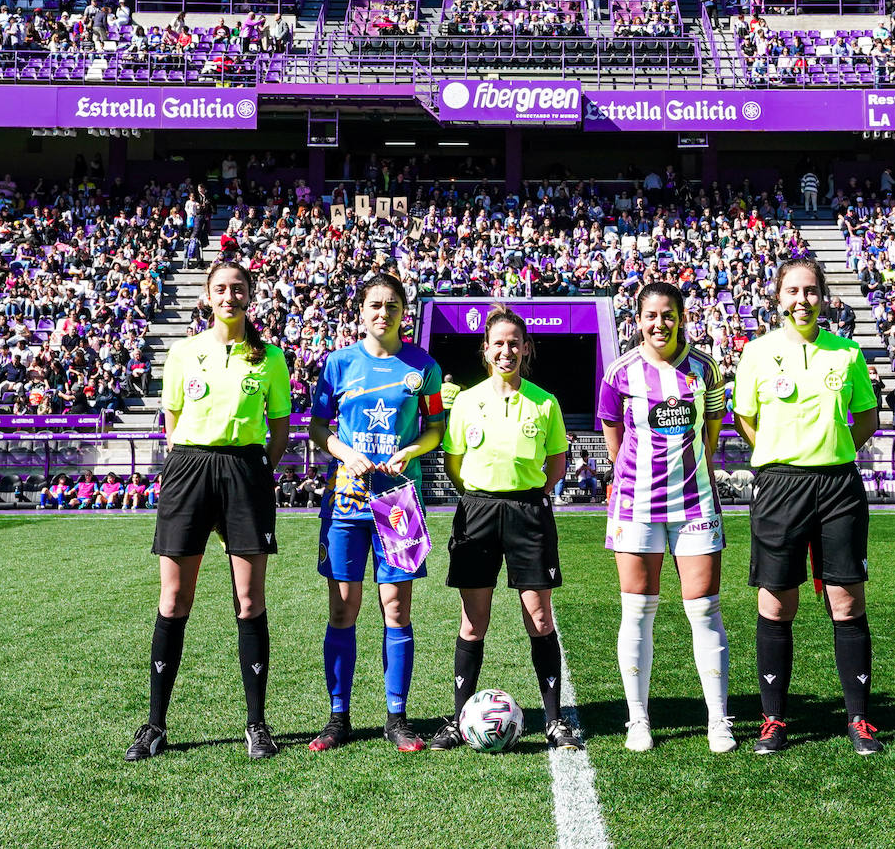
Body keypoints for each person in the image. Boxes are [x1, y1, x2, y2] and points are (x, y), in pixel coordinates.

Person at [125, 261, 292, 762]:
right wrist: (191, 462)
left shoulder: (270, 358)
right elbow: (172, 420)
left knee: (249, 599)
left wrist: (256, 471)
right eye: (220, 289)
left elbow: (279, 428)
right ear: (207, 296)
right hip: (189, 468)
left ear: (250, 296)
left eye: (238, 289)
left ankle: (256, 725)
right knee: (173, 599)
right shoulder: (183, 352)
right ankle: (155, 725)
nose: (229, 296)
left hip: (245, 470)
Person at [732, 259, 882, 756]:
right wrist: (782, 456)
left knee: (847, 601)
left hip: (839, 485)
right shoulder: (755, 353)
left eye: (811, 291)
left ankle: (859, 720)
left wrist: (832, 450)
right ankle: (774, 719)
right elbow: (745, 419)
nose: (802, 300)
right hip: (780, 487)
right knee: (777, 601)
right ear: (778, 297)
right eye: (793, 291)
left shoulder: (848, 354)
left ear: (824, 297)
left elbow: (866, 418)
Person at [429, 306, 581, 751]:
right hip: (477, 512)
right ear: (486, 349)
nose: (507, 350)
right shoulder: (466, 402)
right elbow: (454, 464)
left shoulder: (544, 401)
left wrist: (527, 494)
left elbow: (555, 463)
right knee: (474, 622)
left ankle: (554, 721)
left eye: (514, 342)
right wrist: (482, 495)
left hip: (528, 513)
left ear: (526, 348)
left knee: (538, 616)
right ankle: (459, 721)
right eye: (498, 343)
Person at [307, 273, 445, 752]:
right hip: (345, 502)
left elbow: (436, 430)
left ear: (403, 311)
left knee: (396, 609)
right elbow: (318, 429)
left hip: (399, 502)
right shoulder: (338, 364)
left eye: (390, 305)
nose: (382, 312)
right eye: (373, 305)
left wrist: (410, 451)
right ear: (360, 311)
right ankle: (338, 716)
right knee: (343, 608)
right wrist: (345, 453)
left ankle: (397, 717)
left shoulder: (423, 367)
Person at [599, 282, 733, 753]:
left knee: (705, 610)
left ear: (681, 318)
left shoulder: (705, 368)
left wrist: (691, 467)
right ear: (638, 320)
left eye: (669, 315)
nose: (660, 323)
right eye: (651, 315)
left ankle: (719, 719)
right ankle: (639, 720)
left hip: (694, 502)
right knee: (637, 613)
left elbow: (712, 429)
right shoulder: (619, 373)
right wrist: (632, 475)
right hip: (635, 505)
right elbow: (612, 431)